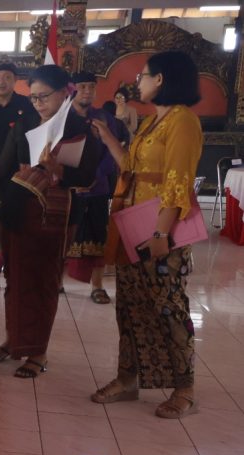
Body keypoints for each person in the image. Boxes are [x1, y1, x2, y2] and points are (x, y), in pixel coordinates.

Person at [90, 51, 203, 419]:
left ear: (162, 80)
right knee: (130, 305)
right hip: (132, 225)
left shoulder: (182, 121)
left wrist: (161, 232)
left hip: (160, 229)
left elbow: (177, 182)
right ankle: (128, 378)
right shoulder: (154, 121)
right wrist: (108, 138)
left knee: (168, 308)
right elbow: (132, 171)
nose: (139, 82)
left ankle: (184, 389)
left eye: (144, 75)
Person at [0, 65, 100, 378]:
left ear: (63, 93)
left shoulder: (78, 127)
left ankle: (37, 352)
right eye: (34, 98)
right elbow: (2, 166)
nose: (38, 104)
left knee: (42, 282)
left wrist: (58, 169)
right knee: (14, 280)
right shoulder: (25, 122)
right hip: (17, 209)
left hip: (53, 214)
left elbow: (87, 176)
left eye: (44, 97)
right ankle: (13, 341)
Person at [64, 71, 128, 304]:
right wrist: (73, 178)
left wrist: (94, 176)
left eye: (91, 87)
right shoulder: (62, 116)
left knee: (97, 235)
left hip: (97, 186)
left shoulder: (103, 117)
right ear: (72, 89)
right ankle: (56, 283)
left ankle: (97, 286)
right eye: (82, 87)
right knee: (63, 235)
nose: (87, 91)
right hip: (68, 187)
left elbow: (112, 151)